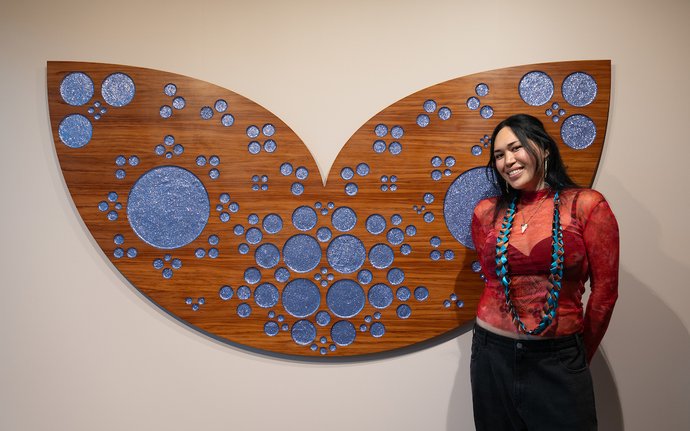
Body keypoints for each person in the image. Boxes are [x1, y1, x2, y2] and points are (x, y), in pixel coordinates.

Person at [470, 114, 619, 430]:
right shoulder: (485, 213)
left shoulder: (586, 205)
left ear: (544, 148)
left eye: (515, 148)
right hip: (491, 356)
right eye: (499, 155)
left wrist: (574, 356)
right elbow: (491, 277)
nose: (508, 161)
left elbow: (605, 293)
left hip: (558, 356)